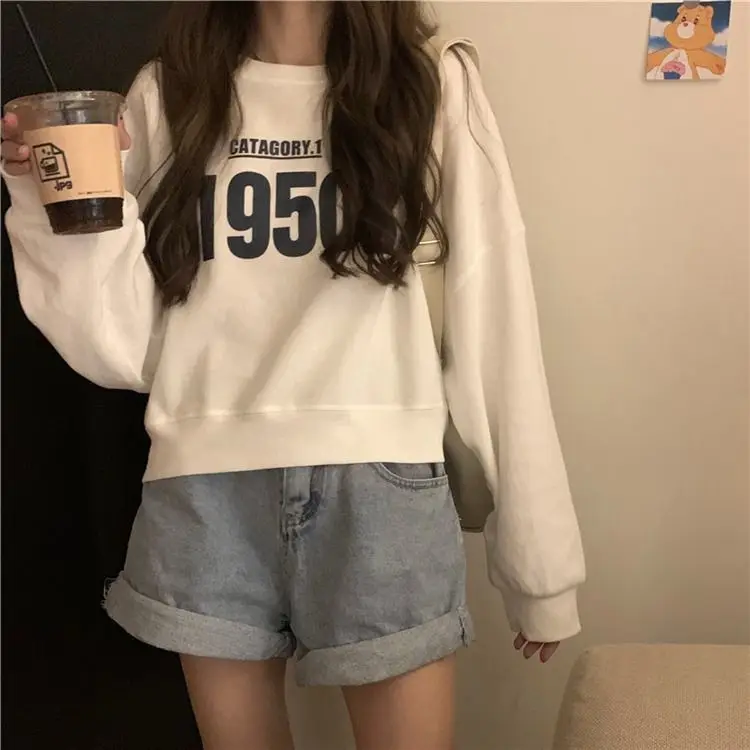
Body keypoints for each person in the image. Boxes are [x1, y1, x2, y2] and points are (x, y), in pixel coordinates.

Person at [2, 2, 585, 749]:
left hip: (380, 483)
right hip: (203, 489)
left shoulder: (430, 83)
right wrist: (46, 198)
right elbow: (127, 347)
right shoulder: (169, 91)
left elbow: (495, 310)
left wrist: (539, 563)